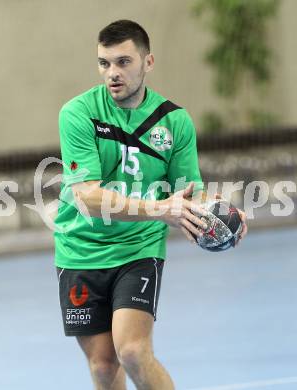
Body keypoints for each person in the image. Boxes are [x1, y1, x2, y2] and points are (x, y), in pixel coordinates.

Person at [53, 19, 247, 390]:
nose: (113, 73)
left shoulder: (174, 121)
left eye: (124, 62)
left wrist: (225, 211)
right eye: (104, 63)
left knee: (132, 351)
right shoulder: (78, 114)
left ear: (148, 62)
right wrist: (161, 210)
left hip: (139, 247)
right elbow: (87, 197)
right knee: (103, 365)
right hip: (79, 249)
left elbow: (189, 192)